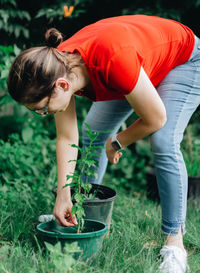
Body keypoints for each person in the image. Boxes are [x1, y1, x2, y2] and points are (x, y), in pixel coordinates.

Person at [7, 14, 200, 273]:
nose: (43, 115)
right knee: (93, 133)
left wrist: (117, 142)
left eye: (42, 109)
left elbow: (156, 118)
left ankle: (175, 245)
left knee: (163, 142)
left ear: (62, 86)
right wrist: (63, 196)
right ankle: (81, 212)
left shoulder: (112, 62)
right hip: (135, 64)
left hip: (184, 60)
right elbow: (67, 137)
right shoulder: (56, 65)